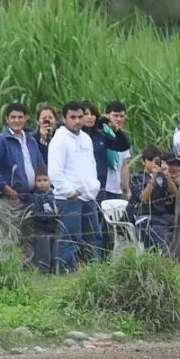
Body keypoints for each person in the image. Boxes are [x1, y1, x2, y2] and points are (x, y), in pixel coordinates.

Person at [0, 102, 44, 266]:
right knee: (9, 236)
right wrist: (4, 187)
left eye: (20, 117)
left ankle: (26, 269)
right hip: (11, 198)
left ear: (26, 118)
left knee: (28, 235)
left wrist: (41, 184)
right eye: (13, 117)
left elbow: (39, 163)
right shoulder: (1, 140)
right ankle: (5, 270)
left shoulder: (30, 139)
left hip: (30, 196)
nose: (17, 120)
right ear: (7, 119)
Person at [49, 101, 102, 270]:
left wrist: (94, 187)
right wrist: (70, 192)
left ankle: (95, 273)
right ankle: (67, 276)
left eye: (80, 116)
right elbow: (55, 172)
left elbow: (91, 167)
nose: (77, 121)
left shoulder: (86, 138)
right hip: (69, 198)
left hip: (88, 196)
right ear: (64, 118)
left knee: (94, 238)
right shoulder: (59, 140)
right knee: (70, 240)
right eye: (73, 117)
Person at [129, 146, 178, 252]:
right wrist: (154, 177)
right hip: (145, 217)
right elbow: (143, 198)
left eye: (156, 160)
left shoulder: (162, 177)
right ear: (143, 162)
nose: (153, 163)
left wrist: (167, 175)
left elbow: (175, 193)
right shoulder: (136, 177)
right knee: (161, 236)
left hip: (162, 216)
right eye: (150, 160)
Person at [29, 168, 60, 273]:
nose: (42, 183)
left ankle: (55, 270)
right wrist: (49, 216)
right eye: (39, 181)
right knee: (43, 251)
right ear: (35, 182)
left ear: (50, 181)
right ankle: (43, 271)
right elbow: (36, 213)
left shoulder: (56, 194)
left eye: (45, 180)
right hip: (41, 227)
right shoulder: (35, 196)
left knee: (56, 250)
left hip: (55, 226)